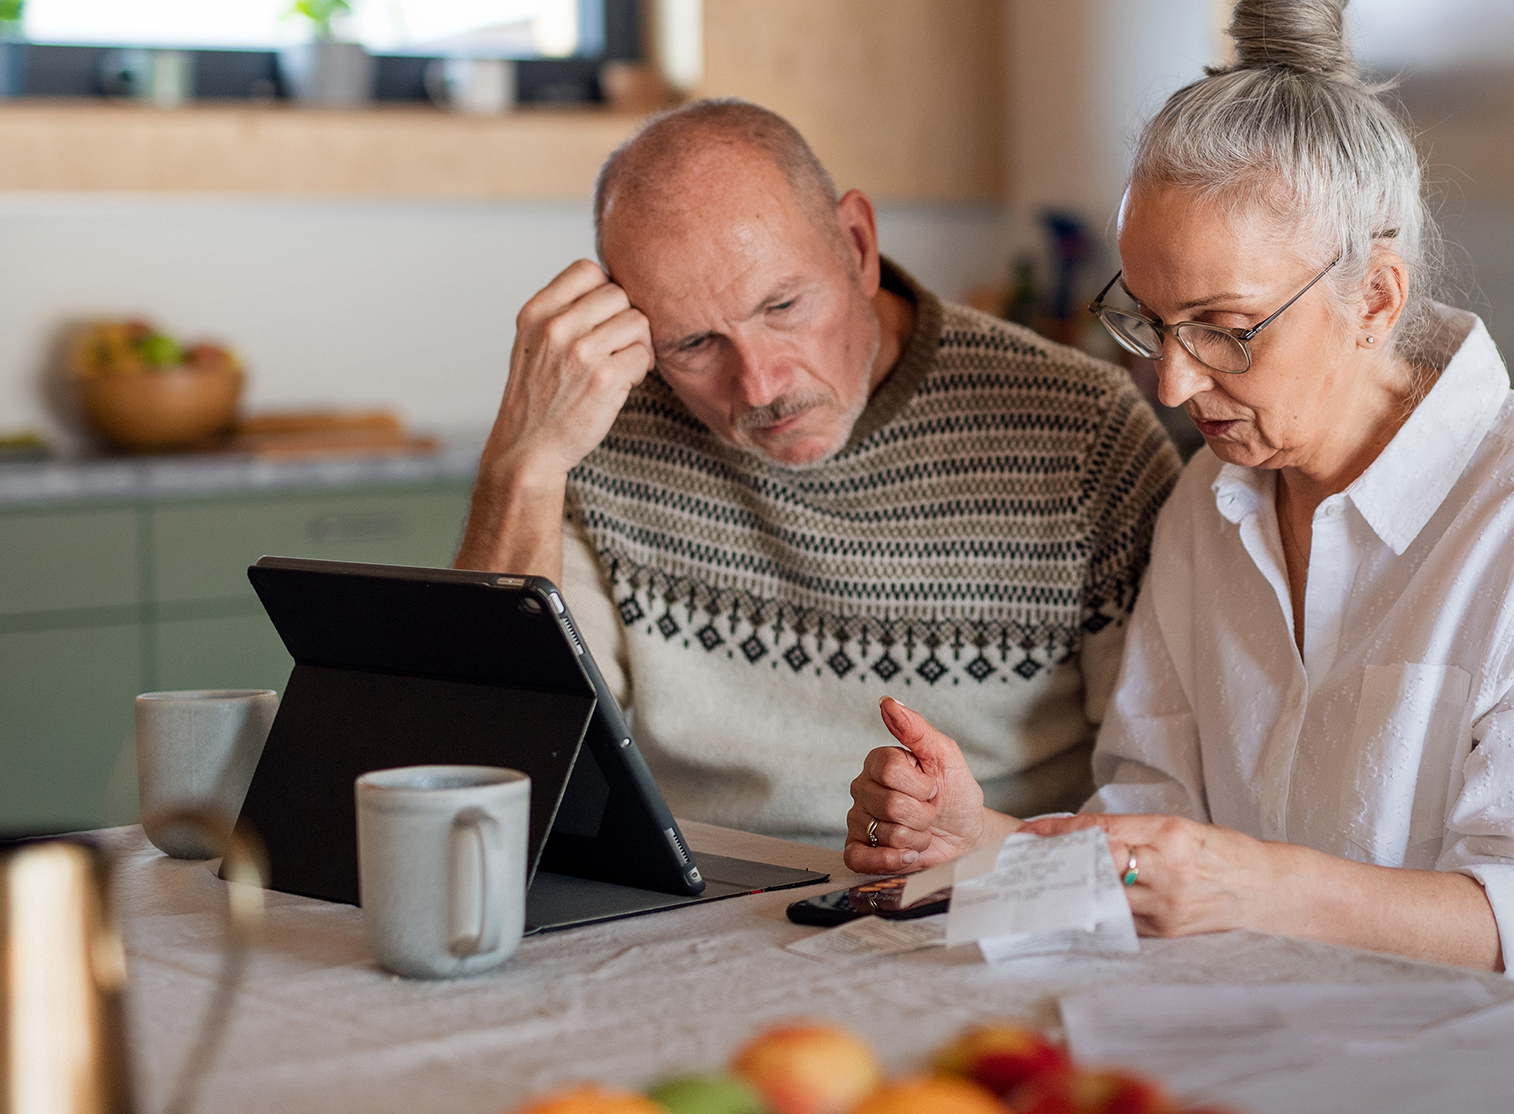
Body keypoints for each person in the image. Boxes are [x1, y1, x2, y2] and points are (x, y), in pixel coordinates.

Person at [842, 0, 1514, 1028]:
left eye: (1228, 331)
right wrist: (983, 843)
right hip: (1337, 1040)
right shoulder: (1210, 505)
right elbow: (1155, 844)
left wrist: (1258, 887)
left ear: (1375, 297)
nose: (1177, 383)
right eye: (1148, 320)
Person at [456, 98, 1181, 844]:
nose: (761, 386)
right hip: (698, 907)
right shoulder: (601, 425)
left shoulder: (1084, 429)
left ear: (858, 246)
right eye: (695, 343)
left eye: (783, 305)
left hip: (986, 903)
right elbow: (495, 768)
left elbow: (1166, 799)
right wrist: (523, 463)